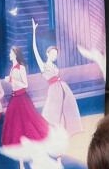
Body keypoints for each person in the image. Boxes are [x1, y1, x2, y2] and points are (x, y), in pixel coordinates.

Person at [1, 46, 51, 169]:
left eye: (11, 52)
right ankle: (22, 168)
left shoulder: (21, 67)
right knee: (17, 135)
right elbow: (14, 85)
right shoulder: (12, 67)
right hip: (14, 101)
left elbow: (25, 84)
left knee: (32, 134)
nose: (9, 54)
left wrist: (11, 80)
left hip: (22, 101)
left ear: (16, 54)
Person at [32, 19, 83, 151]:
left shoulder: (54, 65)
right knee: (52, 113)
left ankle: (60, 136)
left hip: (62, 88)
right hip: (54, 91)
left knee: (64, 111)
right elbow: (35, 50)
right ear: (47, 53)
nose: (54, 56)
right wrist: (34, 31)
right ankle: (49, 138)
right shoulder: (43, 66)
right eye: (52, 54)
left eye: (56, 54)